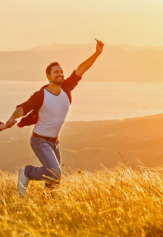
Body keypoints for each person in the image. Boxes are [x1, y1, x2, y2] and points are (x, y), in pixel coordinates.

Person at [6, 39, 104, 195]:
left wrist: (97, 53)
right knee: (55, 173)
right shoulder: (41, 95)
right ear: (48, 76)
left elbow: (81, 69)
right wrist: (13, 118)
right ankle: (27, 172)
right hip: (39, 140)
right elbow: (24, 107)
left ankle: (48, 205)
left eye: (61, 72)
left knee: (54, 180)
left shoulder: (66, 87)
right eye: (56, 72)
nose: (60, 74)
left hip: (54, 142)